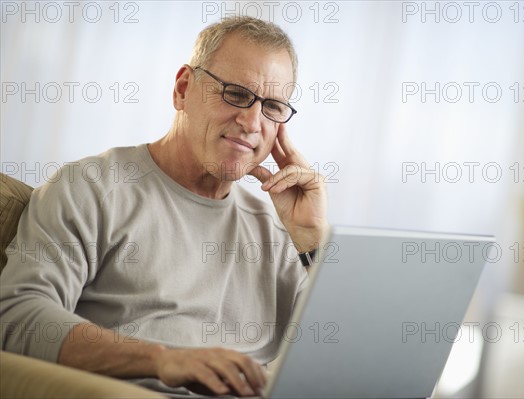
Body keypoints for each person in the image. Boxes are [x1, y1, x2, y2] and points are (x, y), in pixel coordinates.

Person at [0, 16, 328, 397]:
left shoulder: (278, 230)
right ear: (183, 89)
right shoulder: (91, 187)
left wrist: (313, 240)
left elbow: (342, 362)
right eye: (236, 94)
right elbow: (17, 316)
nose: (251, 122)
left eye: (272, 106)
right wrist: (164, 360)